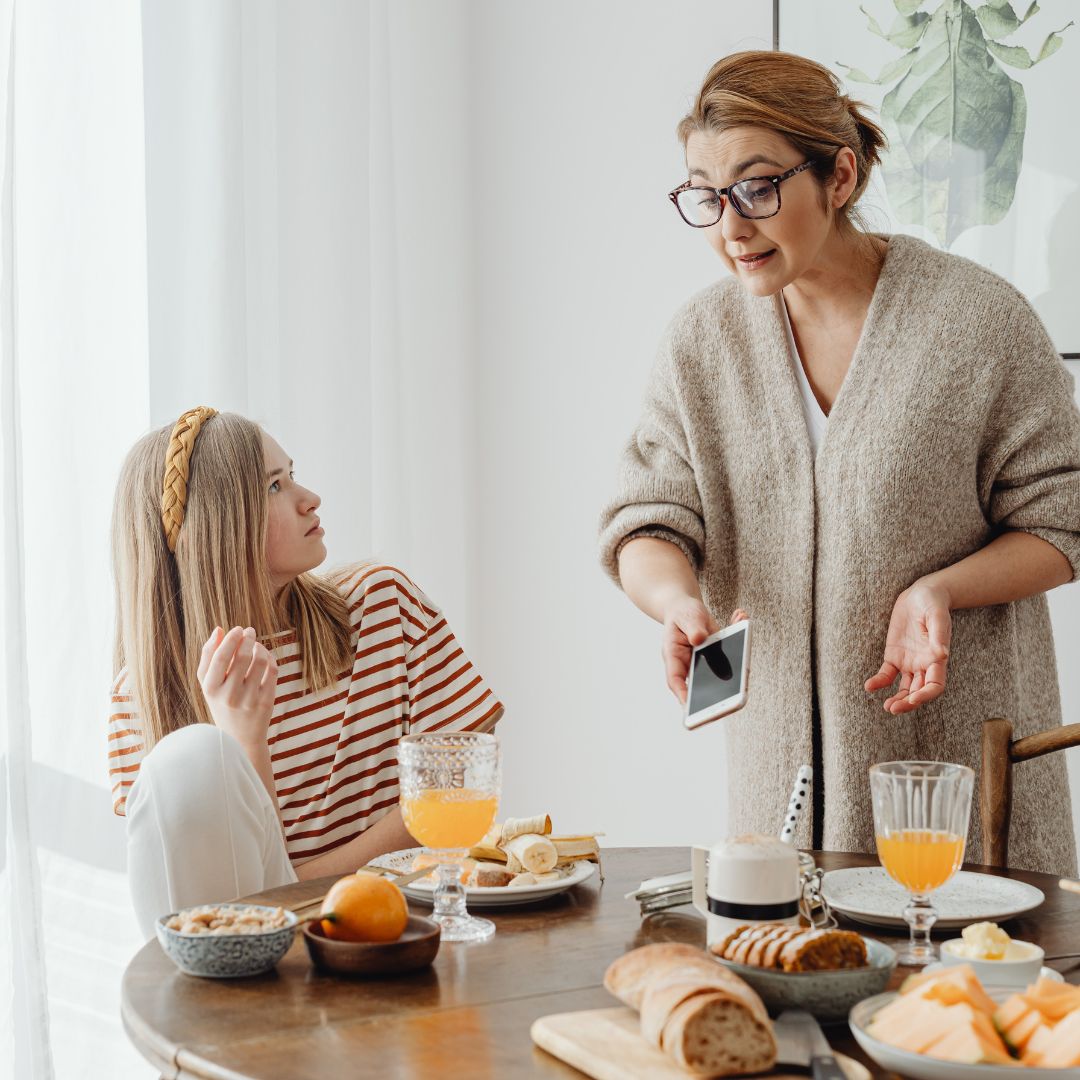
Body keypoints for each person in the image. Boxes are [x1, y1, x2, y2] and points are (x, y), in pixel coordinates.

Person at [599, 51, 1080, 874]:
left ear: (841, 176)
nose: (731, 228)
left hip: (958, 789)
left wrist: (940, 589)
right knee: (791, 951)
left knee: (963, 959)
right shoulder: (703, 342)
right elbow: (648, 518)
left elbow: (1063, 517)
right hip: (779, 803)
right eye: (707, 196)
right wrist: (674, 600)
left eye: (756, 188)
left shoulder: (977, 321)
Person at [109, 407, 502, 938]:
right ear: (217, 526)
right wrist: (244, 741)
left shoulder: (382, 605)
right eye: (274, 486)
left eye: (292, 474)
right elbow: (227, 901)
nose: (309, 498)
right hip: (254, 954)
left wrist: (303, 883)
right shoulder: (140, 698)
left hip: (399, 931)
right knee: (193, 756)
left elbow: (459, 783)